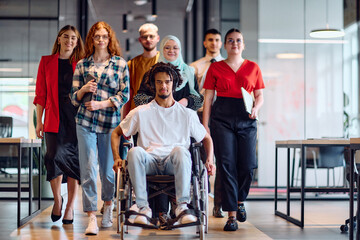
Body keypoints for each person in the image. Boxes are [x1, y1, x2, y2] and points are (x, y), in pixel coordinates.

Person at [111, 62, 215, 226]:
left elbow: (206, 138)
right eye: (159, 82)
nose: (163, 86)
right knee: (134, 152)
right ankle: (142, 207)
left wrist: (209, 159)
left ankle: (182, 207)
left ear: (174, 83)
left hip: (174, 163)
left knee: (181, 150)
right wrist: (116, 157)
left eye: (167, 81)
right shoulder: (140, 112)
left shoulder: (187, 114)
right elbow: (116, 133)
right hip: (149, 162)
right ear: (153, 85)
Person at [202, 28, 265, 231]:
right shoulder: (216, 68)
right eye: (230, 40)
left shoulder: (253, 67)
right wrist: (205, 125)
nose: (234, 44)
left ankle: (240, 201)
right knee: (227, 165)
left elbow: (260, 95)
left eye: (238, 40)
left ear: (243, 44)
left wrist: (256, 107)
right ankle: (231, 215)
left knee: (247, 165)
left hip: (247, 118)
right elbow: (209, 98)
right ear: (225, 45)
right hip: (222, 119)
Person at [71, 21, 129, 235]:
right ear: (92, 40)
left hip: (110, 124)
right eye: (97, 36)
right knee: (87, 170)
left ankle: (108, 205)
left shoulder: (120, 64)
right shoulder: (82, 65)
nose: (101, 40)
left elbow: (125, 95)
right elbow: (73, 98)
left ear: (109, 38)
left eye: (104, 36)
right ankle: (91, 217)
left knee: (107, 171)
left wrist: (102, 104)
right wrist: (83, 89)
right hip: (84, 122)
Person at [33, 25, 84, 225]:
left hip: (76, 118)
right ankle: (57, 199)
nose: (69, 41)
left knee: (73, 163)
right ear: (59, 39)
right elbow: (40, 93)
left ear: (77, 41)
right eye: (66, 37)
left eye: (73, 38)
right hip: (54, 117)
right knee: (52, 157)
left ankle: (70, 207)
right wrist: (39, 121)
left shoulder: (81, 63)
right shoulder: (46, 61)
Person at [190, 28, 224, 218]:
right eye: (210, 40)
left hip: (222, 114)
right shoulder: (195, 67)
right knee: (202, 160)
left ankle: (218, 204)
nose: (214, 43)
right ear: (205, 43)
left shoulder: (226, 65)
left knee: (222, 159)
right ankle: (200, 200)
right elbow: (193, 94)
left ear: (221, 43)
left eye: (217, 40)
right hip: (201, 112)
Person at [134, 35, 203, 111]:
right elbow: (138, 98)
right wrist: (157, 102)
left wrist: (186, 101)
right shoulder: (152, 73)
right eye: (167, 48)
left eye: (175, 48)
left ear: (179, 50)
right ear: (161, 49)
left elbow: (198, 101)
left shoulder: (188, 72)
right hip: (156, 117)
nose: (171, 51)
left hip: (181, 117)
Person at [122, 23, 160, 117]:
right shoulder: (132, 64)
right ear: (140, 40)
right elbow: (128, 94)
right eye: (145, 37)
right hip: (137, 114)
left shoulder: (164, 61)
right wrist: (124, 119)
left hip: (159, 112)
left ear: (157, 38)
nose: (148, 40)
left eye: (151, 36)